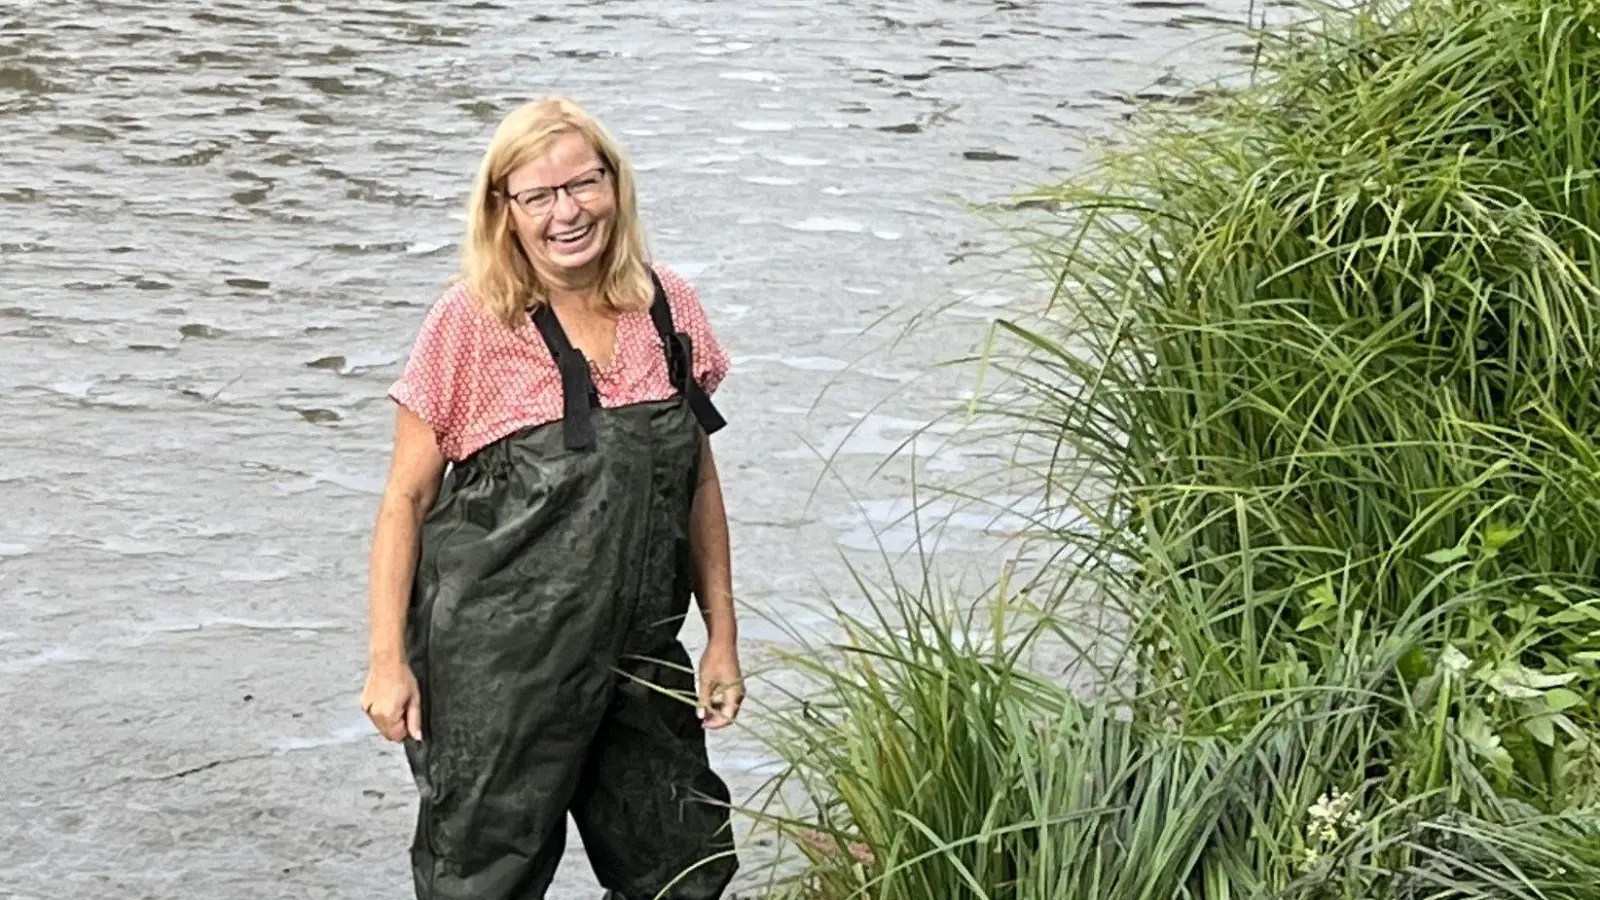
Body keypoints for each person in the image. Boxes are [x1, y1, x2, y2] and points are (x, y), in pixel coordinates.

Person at [359, 96, 744, 900]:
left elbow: (697, 483)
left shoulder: (667, 308)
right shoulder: (469, 323)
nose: (566, 212)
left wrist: (721, 638)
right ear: (505, 210)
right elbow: (404, 501)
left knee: (685, 872)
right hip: (497, 672)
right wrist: (388, 661)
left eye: (583, 185)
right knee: (482, 882)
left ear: (615, 185)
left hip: (641, 659)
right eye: (538, 196)